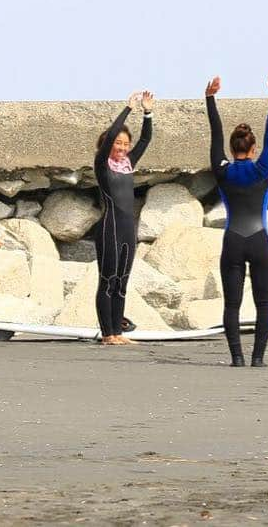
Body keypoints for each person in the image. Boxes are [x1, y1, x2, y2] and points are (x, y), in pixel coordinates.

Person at [205, 73, 268, 368]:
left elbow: (215, 132)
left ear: (233, 149)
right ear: (252, 150)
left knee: (232, 304)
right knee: (264, 304)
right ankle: (258, 358)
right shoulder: (263, 167)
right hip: (260, 241)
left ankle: (236, 357)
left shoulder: (222, 170)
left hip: (233, 240)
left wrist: (210, 99)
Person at [94, 90, 154, 345]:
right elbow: (109, 137)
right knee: (107, 280)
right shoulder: (102, 163)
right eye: (118, 143)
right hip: (110, 229)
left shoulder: (128, 163)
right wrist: (128, 109)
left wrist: (148, 113)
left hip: (129, 230)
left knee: (121, 282)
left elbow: (146, 139)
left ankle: (118, 332)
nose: (122, 148)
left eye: (125, 144)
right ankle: (107, 333)